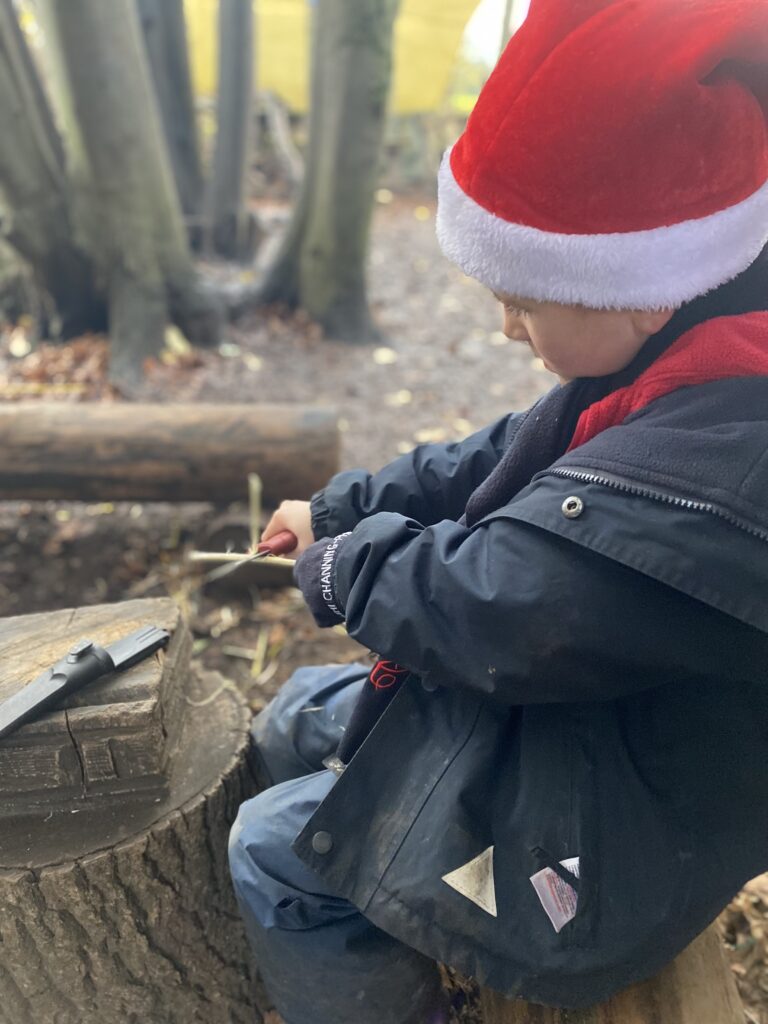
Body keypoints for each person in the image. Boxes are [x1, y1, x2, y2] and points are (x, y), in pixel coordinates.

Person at [228, 1, 768, 1021]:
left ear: (642, 287)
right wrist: (344, 503)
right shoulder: (684, 348)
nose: (504, 324)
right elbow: (498, 454)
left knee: (272, 854)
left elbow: (499, 608)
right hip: (590, 716)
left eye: (524, 298)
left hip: (620, 827)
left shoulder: (721, 475)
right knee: (293, 714)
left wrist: (346, 568)